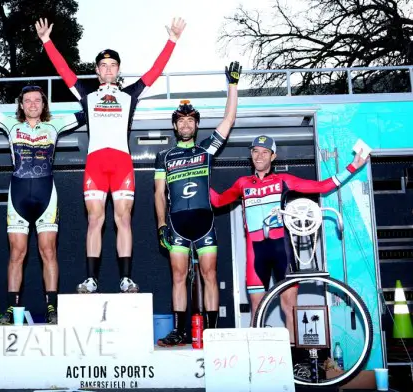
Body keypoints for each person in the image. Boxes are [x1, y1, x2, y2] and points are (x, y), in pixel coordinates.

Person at [35, 17, 186, 294]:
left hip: (121, 165)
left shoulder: (130, 95)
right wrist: (47, 41)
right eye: (103, 66)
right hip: (95, 164)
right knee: (94, 220)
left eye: (112, 65)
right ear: (96, 71)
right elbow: (65, 71)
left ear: (118, 70)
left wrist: (172, 40)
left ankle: (126, 279)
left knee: (124, 220)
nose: (108, 69)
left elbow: (154, 72)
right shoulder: (87, 95)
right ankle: (91, 280)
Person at [209, 135, 368, 344]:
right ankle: (255, 360)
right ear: (251, 154)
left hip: (282, 248)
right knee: (257, 308)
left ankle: (294, 358)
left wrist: (353, 166)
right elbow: (219, 201)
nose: (259, 156)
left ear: (272, 156)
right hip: (255, 251)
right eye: (255, 151)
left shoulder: (283, 180)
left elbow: (322, 187)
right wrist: (199, 181)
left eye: (265, 152)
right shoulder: (242, 183)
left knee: (290, 307)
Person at [0, 53, 86, 324]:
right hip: (18, 196)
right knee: (17, 254)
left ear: (43, 103)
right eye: (28, 100)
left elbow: (89, 108)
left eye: (37, 100)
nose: (33, 104)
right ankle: (12, 309)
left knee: (49, 252)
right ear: (21, 105)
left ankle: (51, 308)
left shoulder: (55, 124)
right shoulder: (11, 124)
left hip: (47, 194)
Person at [154, 62, 241, 345]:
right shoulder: (164, 156)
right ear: (175, 125)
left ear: (197, 125)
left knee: (209, 275)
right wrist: (160, 226)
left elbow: (228, 120)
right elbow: (158, 194)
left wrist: (233, 85)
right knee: (178, 277)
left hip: (205, 223)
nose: (186, 124)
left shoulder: (205, 151)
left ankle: (212, 331)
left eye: (191, 120)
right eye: (181, 121)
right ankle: (180, 331)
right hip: (177, 223)